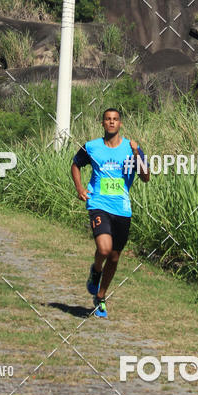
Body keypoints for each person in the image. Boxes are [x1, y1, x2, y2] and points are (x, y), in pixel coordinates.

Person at [71, 108, 149, 319]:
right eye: (108, 119)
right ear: (103, 123)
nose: (112, 122)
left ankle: (101, 296)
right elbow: (75, 164)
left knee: (114, 257)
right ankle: (96, 270)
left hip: (122, 208)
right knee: (104, 250)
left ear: (120, 123)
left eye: (115, 119)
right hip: (98, 203)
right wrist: (80, 188)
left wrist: (136, 155)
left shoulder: (132, 148)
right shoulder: (91, 147)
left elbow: (145, 177)